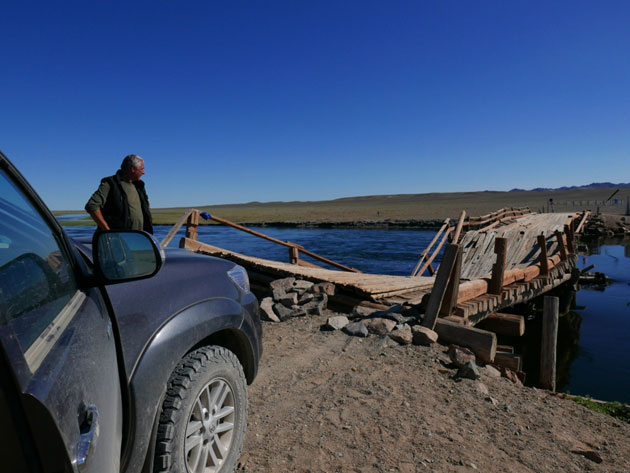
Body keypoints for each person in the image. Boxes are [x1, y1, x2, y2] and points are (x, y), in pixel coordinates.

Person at [85, 154, 153, 234]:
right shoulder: (110, 184)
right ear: (133, 169)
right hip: (118, 240)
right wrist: (107, 231)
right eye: (141, 169)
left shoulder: (139, 186)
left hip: (139, 238)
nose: (143, 172)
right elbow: (92, 205)